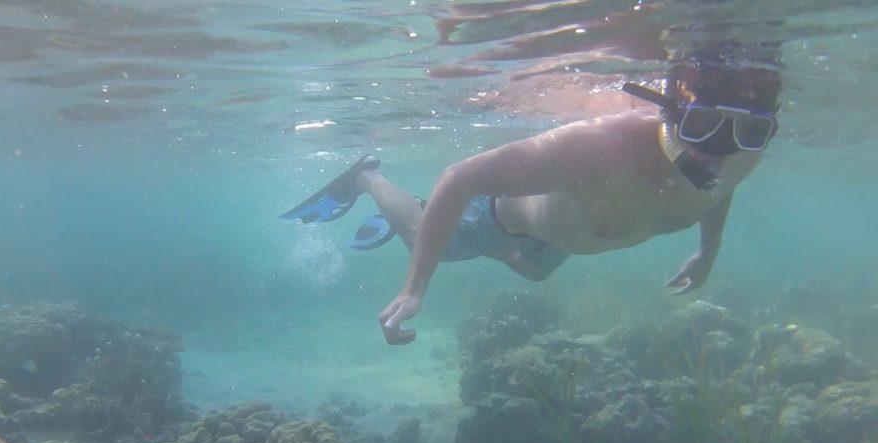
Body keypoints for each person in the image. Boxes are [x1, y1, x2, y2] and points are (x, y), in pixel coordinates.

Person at [281, 60, 781, 345]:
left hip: (558, 236)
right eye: (698, 126)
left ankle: (429, 212)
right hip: (494, 218)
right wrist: (415, 289)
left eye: (750, 131)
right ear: (670, 110)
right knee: (425, 239)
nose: (716, 151)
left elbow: (719, 187)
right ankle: (368, 175)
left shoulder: (742, 157)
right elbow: (460, 178)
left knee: (536, 270)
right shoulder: (599, 148)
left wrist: (708, 249)